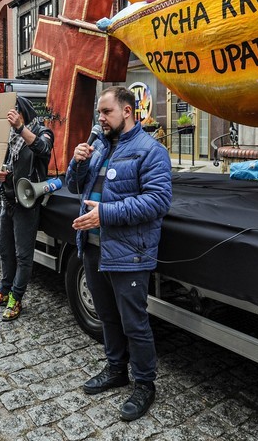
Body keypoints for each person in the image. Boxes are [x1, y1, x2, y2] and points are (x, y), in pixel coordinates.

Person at [65, 86, 172, 421]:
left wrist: (106, 213)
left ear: (128, 111)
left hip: (129, 252)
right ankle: (116, 370)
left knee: (133, 322)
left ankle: (144, 384)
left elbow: (157, 202)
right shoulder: (98, 146)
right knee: (107, 315)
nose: (100, 118)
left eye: (106, 112)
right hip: (94, 247)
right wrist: (77, 163)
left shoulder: (149, 150)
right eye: (99, 113)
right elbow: (74, 186)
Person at [0, 96, 53, 321]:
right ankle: (3, 291)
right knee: (4, 250)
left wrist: (21, 128)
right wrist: (3, 175)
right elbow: (10, 166)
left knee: (23, 255)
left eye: (14, 112)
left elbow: (42, 149)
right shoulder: (10, 136)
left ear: (23, 112)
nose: (11, 116)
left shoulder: (43, 131)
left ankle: (16, 297)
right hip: (8, 199)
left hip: (27, 204)